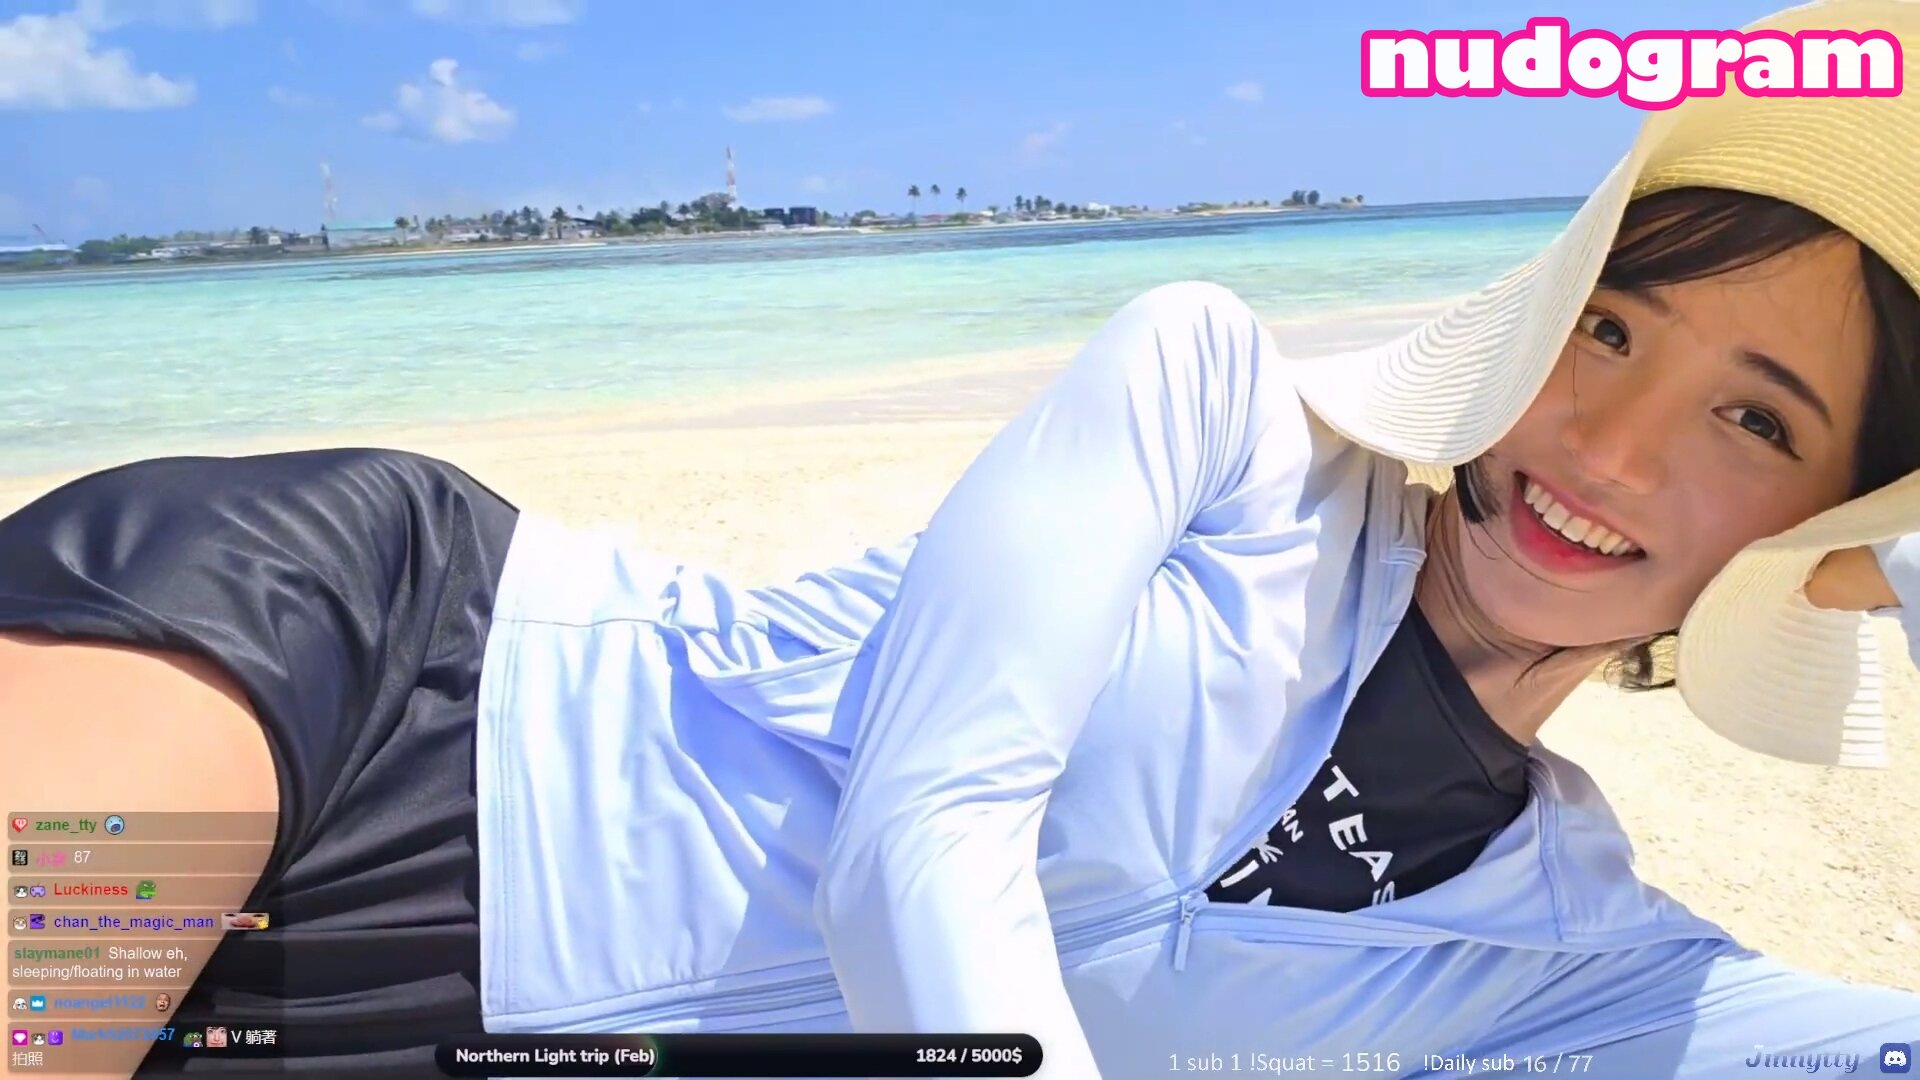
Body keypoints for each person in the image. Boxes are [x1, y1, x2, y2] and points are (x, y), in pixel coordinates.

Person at [5, 2, 1920, 1075]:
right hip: (365, 694)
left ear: (1819, 523)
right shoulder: (1220, 410)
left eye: (1755, 420)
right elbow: (919, 844)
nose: (1610, 443)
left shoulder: (1574, 949)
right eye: (1610, 329)